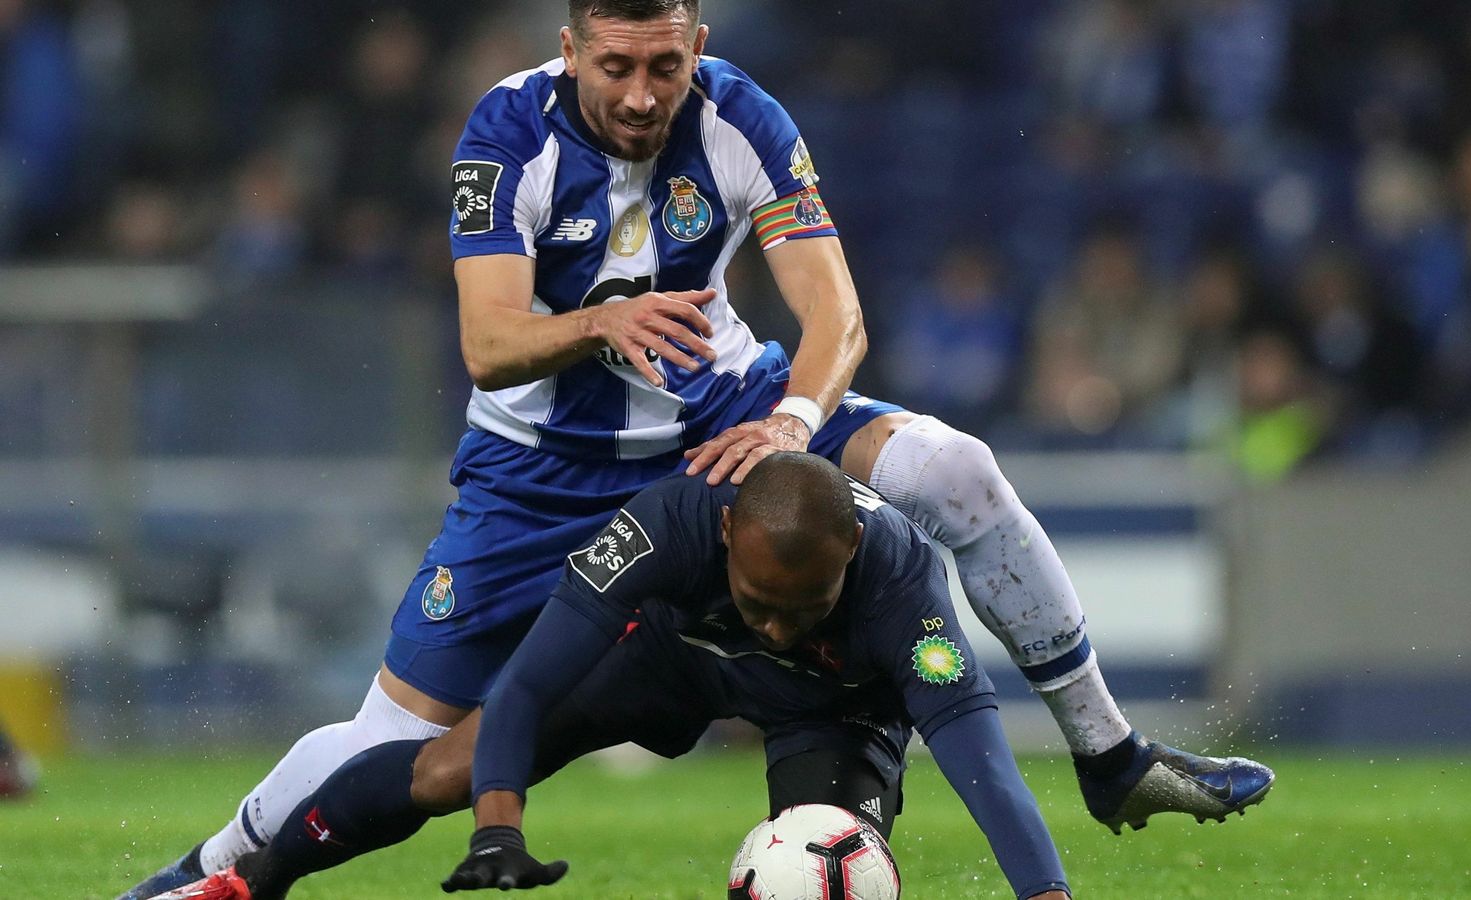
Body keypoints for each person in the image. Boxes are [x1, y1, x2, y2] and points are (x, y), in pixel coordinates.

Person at [124, 2, 1272, 895]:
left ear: (696, 48)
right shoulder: (505, 131)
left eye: (663, 66)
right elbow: (486, 344)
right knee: (406, 748)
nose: (639, 94)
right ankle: (211, 871)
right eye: (615, 67)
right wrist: (600, 320)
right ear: (569, 51)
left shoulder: (744, 118)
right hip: (537, 480)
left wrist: (789, 424)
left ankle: (1109, 756)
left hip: (724, 424)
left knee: (955, 471)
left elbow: (838, 320)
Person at [151, 455, 1081, 899]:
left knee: (821, 862)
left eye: (804, 607)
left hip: (828, 712)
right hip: (667, 662)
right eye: (758, 598)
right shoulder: (667, 523)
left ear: (851, 551)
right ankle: (249, 882)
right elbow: (522, 688)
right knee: (443, 768)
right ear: (725, 539)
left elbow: (984, 765)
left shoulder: (906, 584)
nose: (775, 622)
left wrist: (1046, 897)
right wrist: (496, 828)